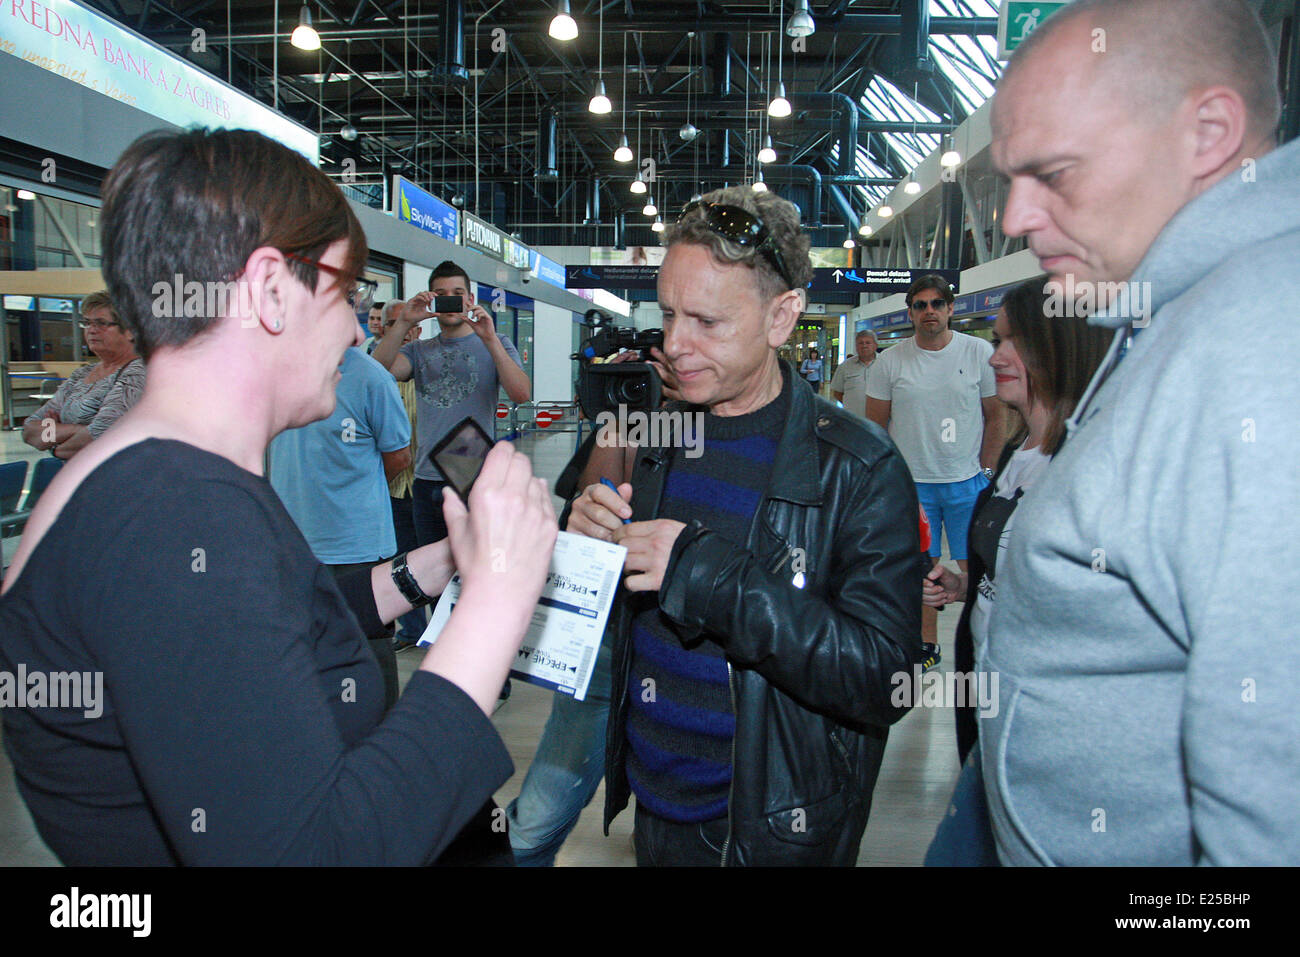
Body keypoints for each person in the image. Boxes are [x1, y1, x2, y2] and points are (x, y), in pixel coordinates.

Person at [0, 127, 558, 865]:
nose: (357, 329)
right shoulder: (177, 512)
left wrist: (427, 568)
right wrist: (495, 604)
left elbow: (264, 621)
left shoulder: (158, 481)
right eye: (346, 295)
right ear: (269, 291)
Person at [983, 0, 1299, 865]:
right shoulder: (1179, 312)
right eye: (1011, 177)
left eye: (1053, 173)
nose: (1013, 219)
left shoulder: (1262, 344)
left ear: (1207, 134)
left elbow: (1272, 809)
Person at [568, 187, 922, 866]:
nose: (675, 343)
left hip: (771, 831)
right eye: (668, 313)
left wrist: (705, 574)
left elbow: (885, 676)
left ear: (782, 316)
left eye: (706, 321)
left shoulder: (858, 469)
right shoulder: (656, 435)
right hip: (655, 809)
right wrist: (587, 541)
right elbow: (627, 605)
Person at [918, 280, 1111, 866]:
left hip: (1039, 712)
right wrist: (968, 581)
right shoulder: (1019, 453)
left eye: (1013, 343)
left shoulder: (1089, 461)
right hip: (985, 686)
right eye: (998, 340)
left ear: (1060, 348)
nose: (996, 356)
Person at [866, 276, 1004, 669]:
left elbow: (996, 417)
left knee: (977, 571)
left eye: (937, 304)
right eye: (921, 305)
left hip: (967, 485)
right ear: (910, 312)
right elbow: (876, 430)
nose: (929, 311)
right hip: (912, 488)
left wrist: (987, 473)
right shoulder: (890, 362)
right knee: (922, 570)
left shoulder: (977, 352)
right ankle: (927, 645)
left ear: (950, 309)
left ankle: (982, 645)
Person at [269, 343, 412, 709]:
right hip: (292, 539)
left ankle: (378, 734)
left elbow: (398, 456)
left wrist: (350, 493)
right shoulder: (275, 368)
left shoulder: (371, 379)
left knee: (366, 641)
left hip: (356, 543)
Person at [371, 261, 531, 550]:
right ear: (432, 299)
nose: (450, 299)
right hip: (425, 478)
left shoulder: (498, 343)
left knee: (474, 565)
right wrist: (406, 321)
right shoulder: (418, 350)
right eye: (441, 293)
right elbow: (376, 373)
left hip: (474, 477)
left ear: (470, 299)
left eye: (457, 293)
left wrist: (490, 338)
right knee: (427, 571)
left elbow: (521, 393)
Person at [21, 291, 145, 459]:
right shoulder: (81, 374)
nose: (92, 330)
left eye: (101, 323)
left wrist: (55, 444)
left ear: (130, 331)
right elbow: (29, 430)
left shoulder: (139, 373)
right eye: (87, 323)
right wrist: (77, 430)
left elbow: (102, 438)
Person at [380, 300, 429, 653]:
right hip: (395, 486)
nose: (399, 329)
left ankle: (441, 634)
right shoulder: (378, 375)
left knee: (438, 563)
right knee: (398, 562)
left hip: (427, 482)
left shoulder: (424, 368)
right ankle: (411, 629)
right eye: (391, 324)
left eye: (405, 324)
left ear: (418, 329)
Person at [830, 329, 878, 417]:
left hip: (879, 419)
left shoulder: (885, 364)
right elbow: (837, 393)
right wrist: (852, 406)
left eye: (868, 343)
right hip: (853, 419)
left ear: (875, 345)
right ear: (856, 346)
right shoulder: (845, 366)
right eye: (860, 343)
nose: (864, 346)